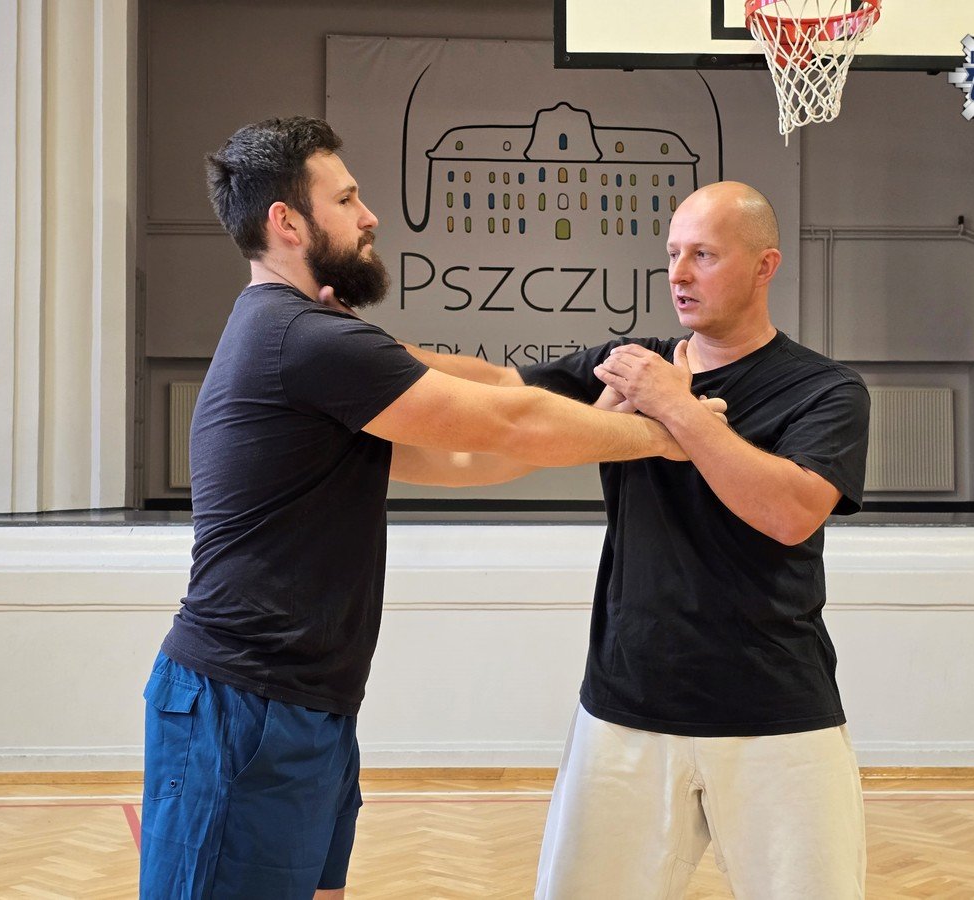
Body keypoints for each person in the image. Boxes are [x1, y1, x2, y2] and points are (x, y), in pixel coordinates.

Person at [137, 116, 721, 900]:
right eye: (346, 199)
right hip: (242, 705)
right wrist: (670, 433)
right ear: (287, 222)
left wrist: (610, 407)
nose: (369, 215)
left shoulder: (310, 339)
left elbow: (474, 454)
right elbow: (508, 421)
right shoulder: (300, 339)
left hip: (305, 703)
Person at [407, 181, 871, 897]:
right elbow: (500, 384)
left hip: (777, 713)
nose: (679, 273)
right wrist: (367, 350)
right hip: (626, 708)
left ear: (764, 266)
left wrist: (673, 407)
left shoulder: (824, 390)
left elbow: (789, 512)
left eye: (704, 255)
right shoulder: (636, 362)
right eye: (673, 253)